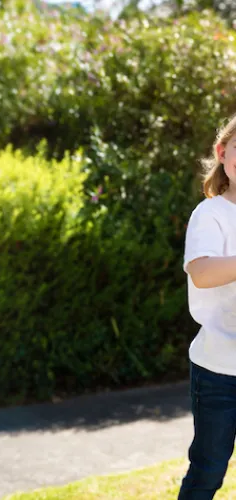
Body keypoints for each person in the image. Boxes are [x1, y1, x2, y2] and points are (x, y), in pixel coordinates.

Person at [179, 113, 236, 499]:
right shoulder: (211, 213)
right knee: (208, 470)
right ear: (222, 152)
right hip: (219, 372)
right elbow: (201, 272)